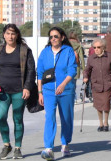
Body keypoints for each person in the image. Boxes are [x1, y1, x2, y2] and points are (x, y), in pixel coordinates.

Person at [0, 24, 36, 159]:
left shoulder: (25, 51)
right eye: (8, 33)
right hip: (1, 92)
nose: (10, 36)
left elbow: (31, 70)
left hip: (19, 91)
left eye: (13, 33)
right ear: (4, 35)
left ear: (17, 35)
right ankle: (6, 145)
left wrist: (27, 87)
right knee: (0, 117)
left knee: (18, 119)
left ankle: (18, 148)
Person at [37, 27, 77, 160]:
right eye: (51, 37)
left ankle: (65, 144)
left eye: (56, 36)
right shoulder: (45, 52)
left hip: (65, 91)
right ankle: (48, 148)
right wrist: (40, 92)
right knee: (50, 118)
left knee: (66, 118)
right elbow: (40, 73)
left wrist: (63, 84)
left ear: (62, 37)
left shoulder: (68, 51)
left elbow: (72, 70)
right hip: (48, 91)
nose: (53, 39)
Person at [83, 38, 111, 132]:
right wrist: (85, 77)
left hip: (107, 84)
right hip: (96, 85)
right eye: (94, 47)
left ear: (103, 47)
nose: (96, 49)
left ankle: (106, 122)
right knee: (98, 106)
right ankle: (100, 123)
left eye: (98, 47)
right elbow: (87, 70)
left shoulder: (110, 57)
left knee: (106, 104)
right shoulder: (91, 58)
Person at [68, 31, 85, 104]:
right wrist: (84, 69)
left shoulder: (66, 45)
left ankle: (70, 98)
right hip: (76, 67)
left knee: (67, 83)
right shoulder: (79, 46)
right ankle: (74, 98)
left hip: (66, 67)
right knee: (74, 84)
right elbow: (81, 59)